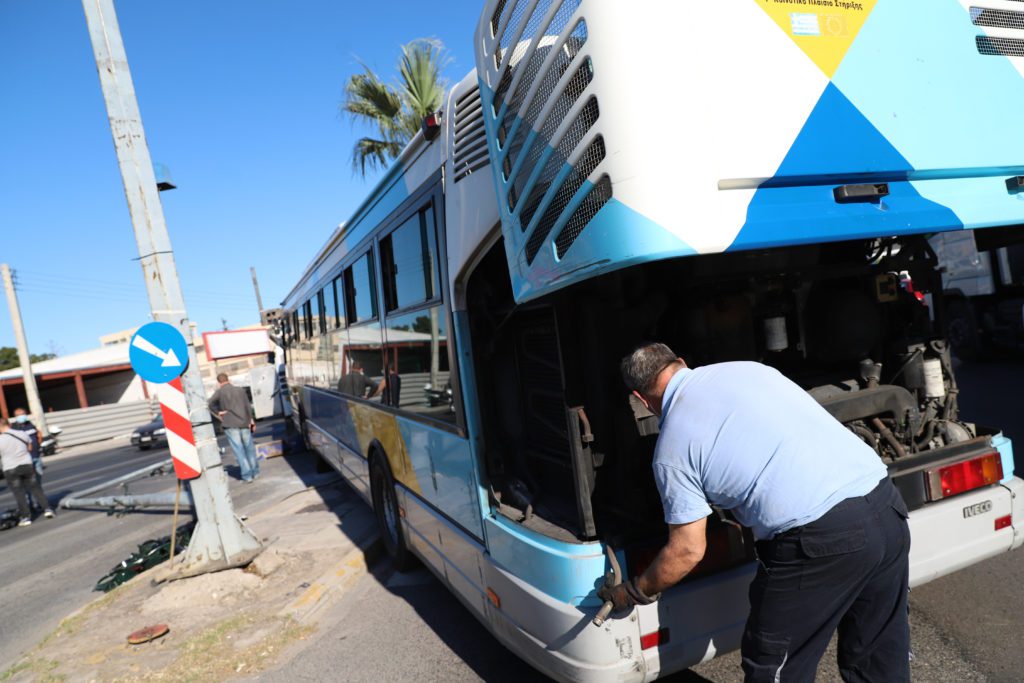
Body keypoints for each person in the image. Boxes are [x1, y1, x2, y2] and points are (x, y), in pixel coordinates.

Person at [601, 343, 910, 682]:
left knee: (773, 665)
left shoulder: (672, 449)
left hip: (822, 537)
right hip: (886, 506)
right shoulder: (749, 369)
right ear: (681, 363)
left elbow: (687, 551)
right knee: (878, 658)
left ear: (641, 399)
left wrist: (634, 590)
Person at [0, 417, 54, 526]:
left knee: (19, 493)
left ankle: (26, 517)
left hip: (10, 468)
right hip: (26, 464)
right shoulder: (22, 434)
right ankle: (48, 510)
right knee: (36, 488)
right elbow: (29, 448)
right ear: (8, 424)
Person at [208, 373, 260, 483]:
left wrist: (219, 412)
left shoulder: (219, 392)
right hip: (244, 422)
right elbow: (247, 406)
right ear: (229, 379)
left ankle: (247, 476)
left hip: (230, 423)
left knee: (239, 450)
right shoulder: (240, 390)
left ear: (219, 382)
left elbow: (210, 403)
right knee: (249, 448)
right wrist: (251, 421)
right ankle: (255, 472)